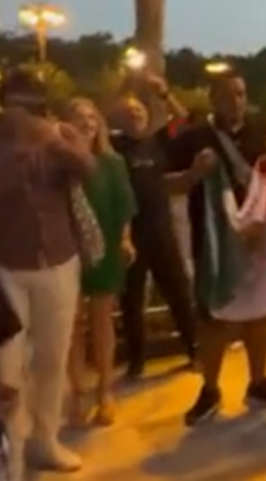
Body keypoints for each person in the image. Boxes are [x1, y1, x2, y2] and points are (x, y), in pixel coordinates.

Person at [165, 68, 266, 426]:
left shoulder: (265, 129)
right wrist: (193, 174)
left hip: (260, 239)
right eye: (227, 95)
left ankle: (258, 383)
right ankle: (210, 389)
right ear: (212, 100)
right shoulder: (195, 136)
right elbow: (167, 184)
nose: (235, 102)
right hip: (214, 242)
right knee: (214, 318)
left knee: (261, 314)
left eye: (240, 94)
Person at [0, 68, 96, 477]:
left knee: (52, 359)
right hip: (6, 268)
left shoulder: (58, 134)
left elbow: (90, 170)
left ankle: (44, 440)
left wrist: (60, 142)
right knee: (7, 368)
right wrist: (17, 154)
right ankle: (11, 454)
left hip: (58, 260)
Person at [110, 75, 198, 378]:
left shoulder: (158, 142)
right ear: (120, 119)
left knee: (178, 293)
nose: (135, 115)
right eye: (129, 113)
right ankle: (136, 362)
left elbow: (184, 121)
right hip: (130, 235)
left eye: (139, 112)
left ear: (147, 116)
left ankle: (194, 349)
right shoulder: (114, 147)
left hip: (161, 232)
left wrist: (164, 92)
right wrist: (126, 85)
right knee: (131, 302)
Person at [65, 98, 137, 427]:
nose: (87, 123)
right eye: (79, 118)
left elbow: (125, 205)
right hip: (68, 249)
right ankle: (77, 393)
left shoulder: (112, 162)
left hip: (106, 246)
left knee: (102, 322)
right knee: (72, 325)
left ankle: (105, 391)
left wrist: (124, 238)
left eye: (92, 117)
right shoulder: (60, 162)